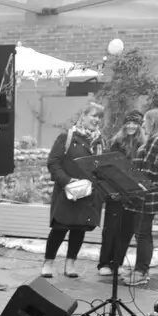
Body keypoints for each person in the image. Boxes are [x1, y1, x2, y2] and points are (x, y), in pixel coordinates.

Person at [43, 106, 103, 279]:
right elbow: (53, 162)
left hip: (88, 193)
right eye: (93, 115)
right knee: (59, 228)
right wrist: (67, 181)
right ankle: (48, 262)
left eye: (99, 117)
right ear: (83, 117)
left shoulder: (100, 141)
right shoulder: (66, 137)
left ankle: (70, 263)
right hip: (66, 192)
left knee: (79, 229)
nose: (96, 120)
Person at [96, 110, 145, 279]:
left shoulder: (143, 145)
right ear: (124, 125)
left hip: (133, 195)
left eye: (135, 123)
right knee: (111, 228)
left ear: (140, 126)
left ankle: (116, 263)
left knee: (127, 230)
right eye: (128, 123)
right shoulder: (116, 143)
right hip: (116, 191)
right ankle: (104, 263)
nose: (131, 126)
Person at [129, 107, 158, 287]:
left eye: (145, 120)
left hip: (146, 196)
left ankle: (141, 272)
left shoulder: (156, 141)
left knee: (142, 234)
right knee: (144, 233)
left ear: (152, 122)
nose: (142, 124)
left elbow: (146, 171)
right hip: (153, 195)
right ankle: (141, 271)